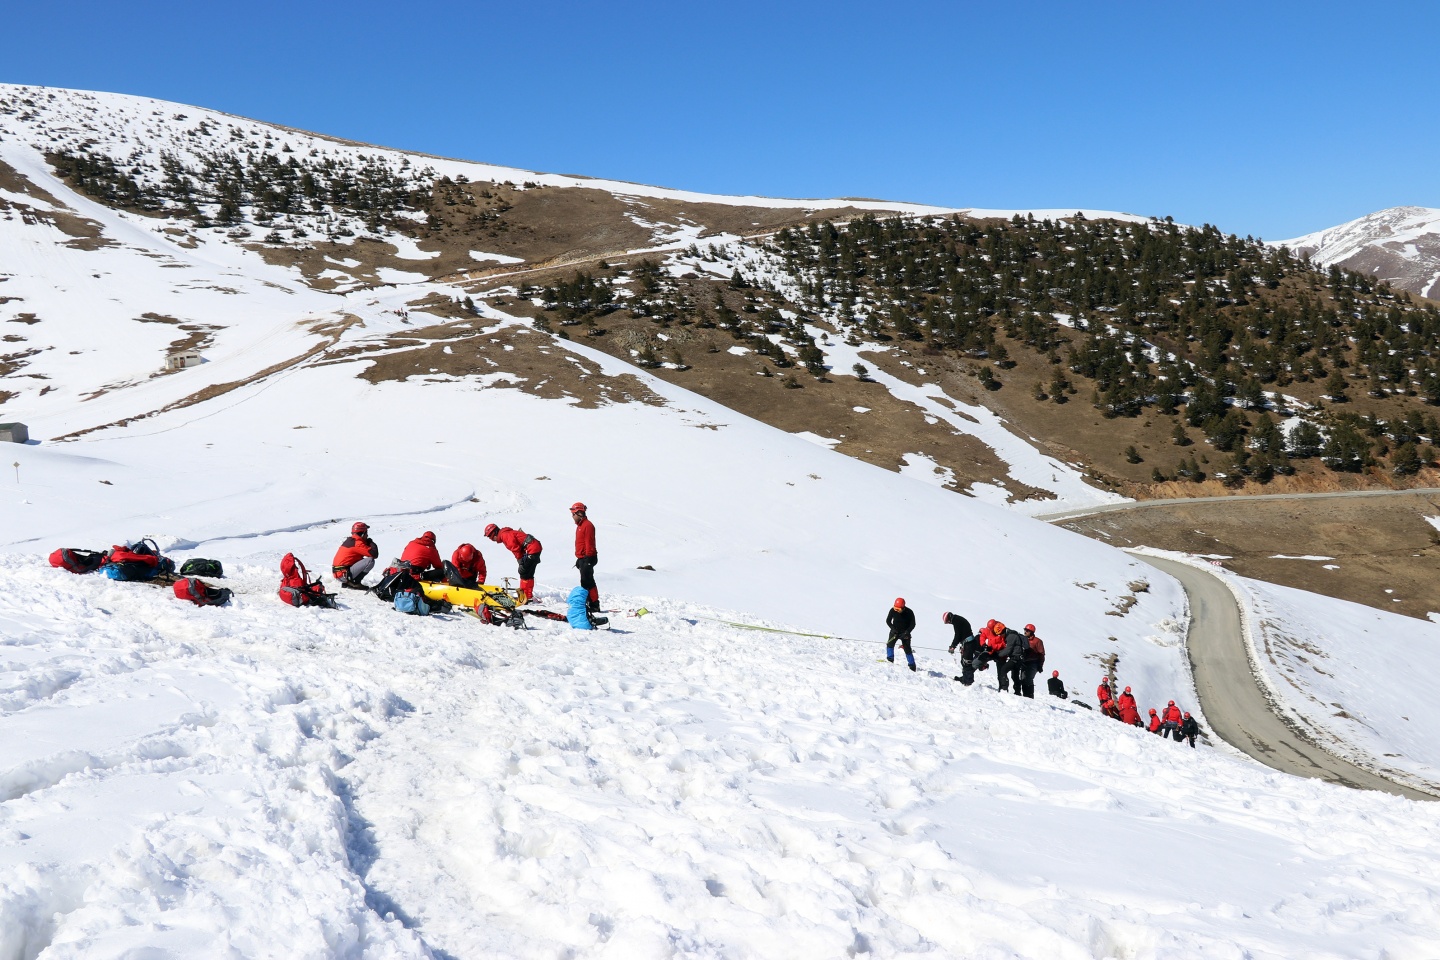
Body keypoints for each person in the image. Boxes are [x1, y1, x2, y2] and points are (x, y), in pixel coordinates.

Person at [485, 523, 542, 602]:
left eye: (490, 536)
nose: (490, 539)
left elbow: (515, 548)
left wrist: (520, 561)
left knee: (524, 572)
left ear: (494, 533)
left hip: (532, 548)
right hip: (534, 547)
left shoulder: (504, 535)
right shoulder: (505, 534)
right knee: (528, 573)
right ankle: (528, 596)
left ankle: (524, 597)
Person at [572, 502, 599, 613]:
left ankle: (594, 604)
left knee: (587, 581)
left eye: (574, 514)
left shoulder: (587, 526)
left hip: (588, 557)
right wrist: (579, 558)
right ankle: (589, 602)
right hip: (583, 557)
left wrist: (588, 559)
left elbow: (589, 543)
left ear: (580, 513)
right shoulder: (580, 526)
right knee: (585, 581)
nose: (572, 516)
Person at [332, 521, 379, 587]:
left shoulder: (352, 540)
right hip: (343, 574)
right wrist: (370, 542)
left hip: (340, 573)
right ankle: (355, 583)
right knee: (370, 561)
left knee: (362, 560)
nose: (367, 535)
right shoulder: (357, 543)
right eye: (366, 533)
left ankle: (349, 582)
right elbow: (374, 554)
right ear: (362, 534)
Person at [944, 612, 978, 685]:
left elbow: (957, 635)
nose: (948, 623)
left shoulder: (956, 621)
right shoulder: (957, 619)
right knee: (964, 662)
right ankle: (965, 677)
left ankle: (968, 681)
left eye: (947, 621)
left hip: (968, 644)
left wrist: (953, 646)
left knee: (967, 662)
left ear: (949, 618)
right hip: (968, 643)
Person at [885, 598, 917, 672]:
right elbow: (888, 621)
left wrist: (907, 632)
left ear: (903, 607)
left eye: (898, 609)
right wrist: (892, 628)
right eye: (895, 608)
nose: (896, 610)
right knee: (890, 644)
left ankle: (912, 666)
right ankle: (890, 659)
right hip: (895, 632)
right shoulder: (892, 610)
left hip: (905, 633)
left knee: (907, 649)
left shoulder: (909, 612)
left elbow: (913, 624)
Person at [1016, 623, 1045, 699]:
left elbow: (1041, 654)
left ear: (1031, 632)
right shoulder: (1022, 639)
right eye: (1025, 630)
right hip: (1024, 662)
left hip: (1033, 663)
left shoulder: (1037, 641)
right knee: (1023, 679)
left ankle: (1030, 696)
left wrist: (1040, 665)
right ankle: (1025, 696)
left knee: (1028, 679)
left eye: (1027, 630)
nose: (1025, 631)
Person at [1001, 623, 1029, 696]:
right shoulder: (1012, 635)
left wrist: (998, 654)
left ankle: (1004, 688)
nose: (1000, 635)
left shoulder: (1011, 636)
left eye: (1000, 634)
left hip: (1015, 658)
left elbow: (1008, 649)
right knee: (1015, 676)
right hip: (1019, 659)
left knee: (1003, 670)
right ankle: (1017, 692)